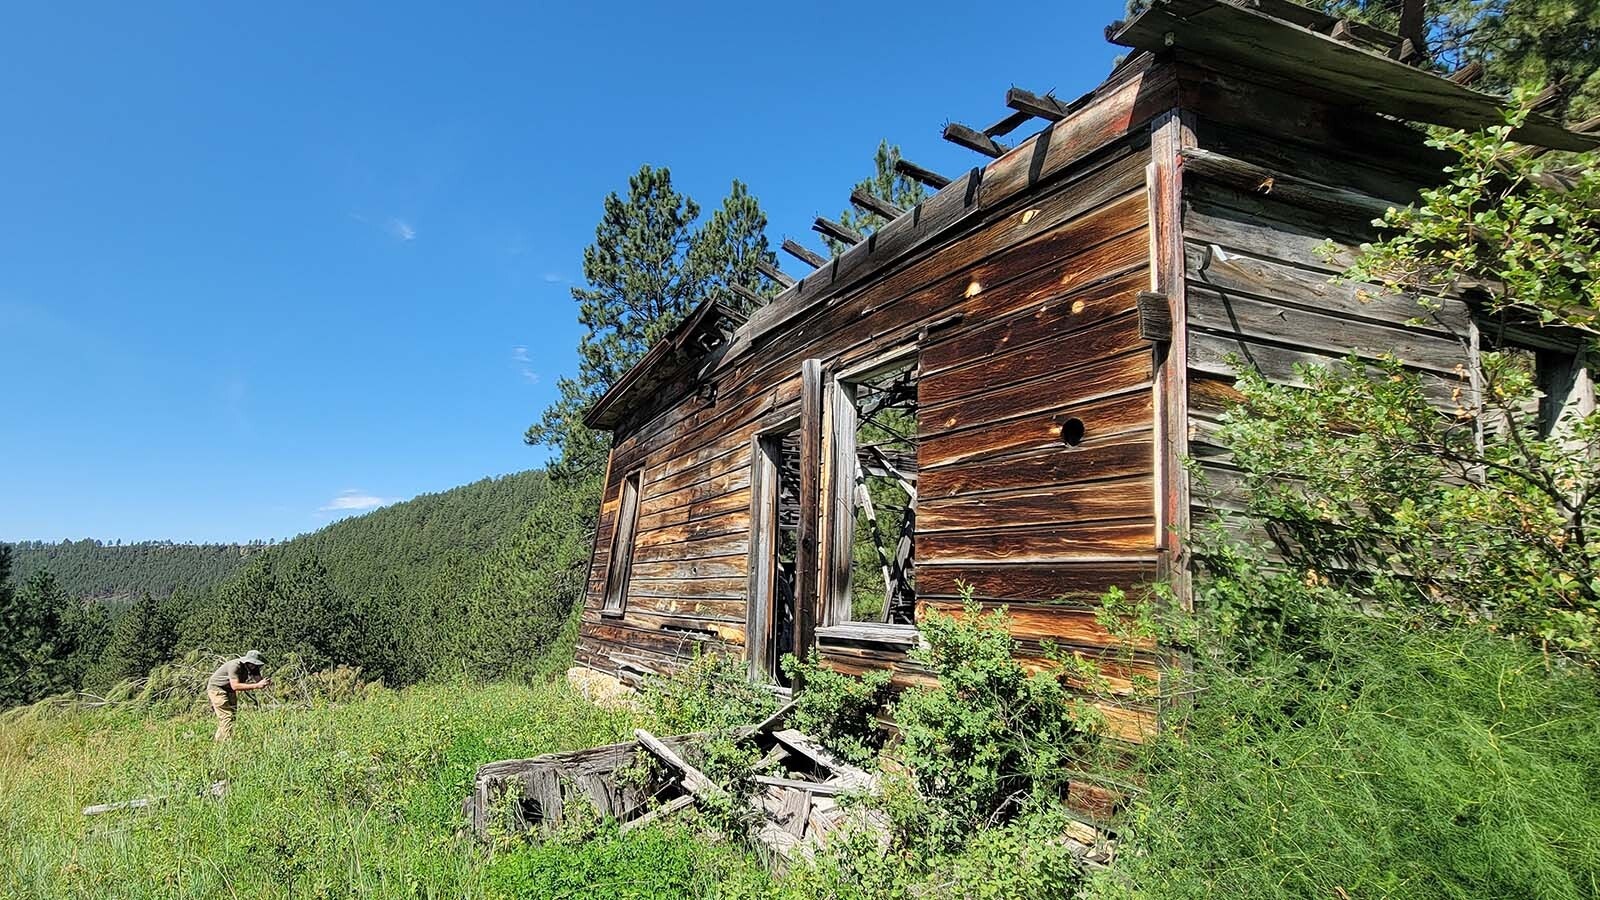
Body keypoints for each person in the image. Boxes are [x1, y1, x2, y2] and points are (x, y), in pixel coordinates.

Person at [206, 650, 271, 742]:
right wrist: (257, 686)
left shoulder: (253, 668)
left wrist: (265, 683)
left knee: (232, 715)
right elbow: (235, 686)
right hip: (217, 688)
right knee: (226, 716)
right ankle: (226, 742)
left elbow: (258, 679)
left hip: (229, 690)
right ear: (248, 662)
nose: (256, 667)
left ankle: (218, 740)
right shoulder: (235, 665)